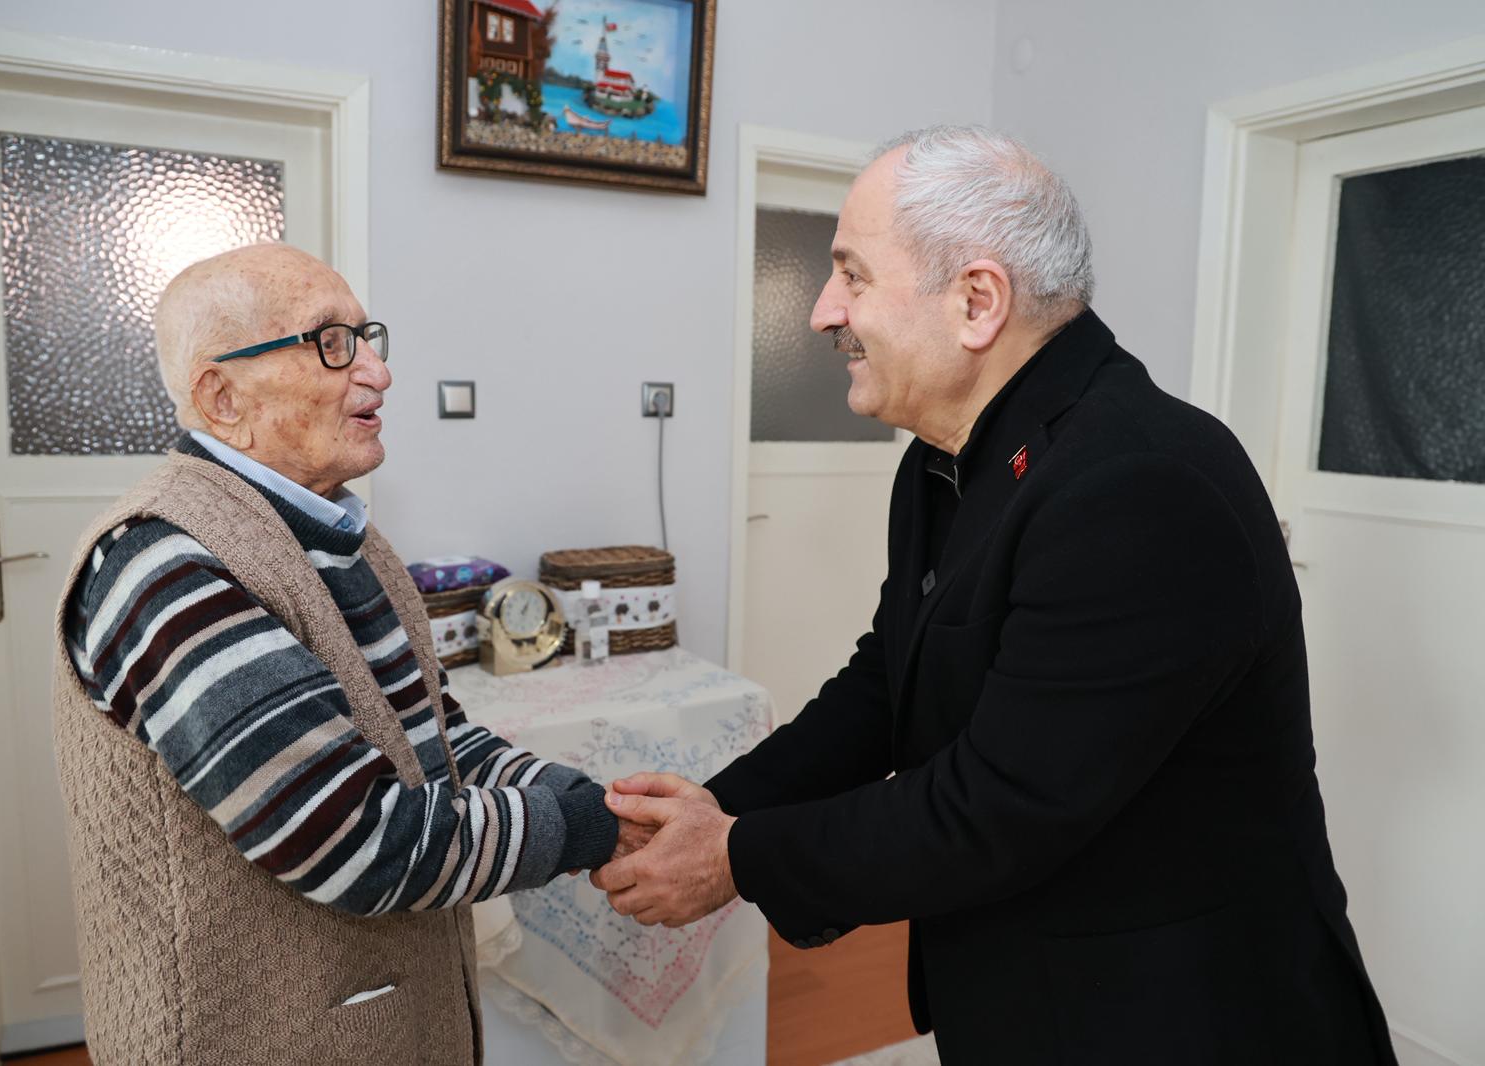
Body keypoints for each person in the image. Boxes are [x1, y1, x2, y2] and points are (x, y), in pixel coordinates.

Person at [593, 126, 1397, 1065]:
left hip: (1179, 1012)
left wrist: (735, 854)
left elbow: (999, 804)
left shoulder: (1141, 482)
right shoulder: (944, 457)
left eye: (852, 275)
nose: (821, 312)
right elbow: (890, 676)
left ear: (978, 301)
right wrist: (715, 806)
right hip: (1028, 986)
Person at [53, 243, 617, 1065]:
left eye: (366, 337)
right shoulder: (164, 565)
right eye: (330, 342)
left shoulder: (347, 537)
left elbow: (437, 738)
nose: (378, 373)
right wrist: (593, 828)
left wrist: (581, 795)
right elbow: (356, 841)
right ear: (222, 395)